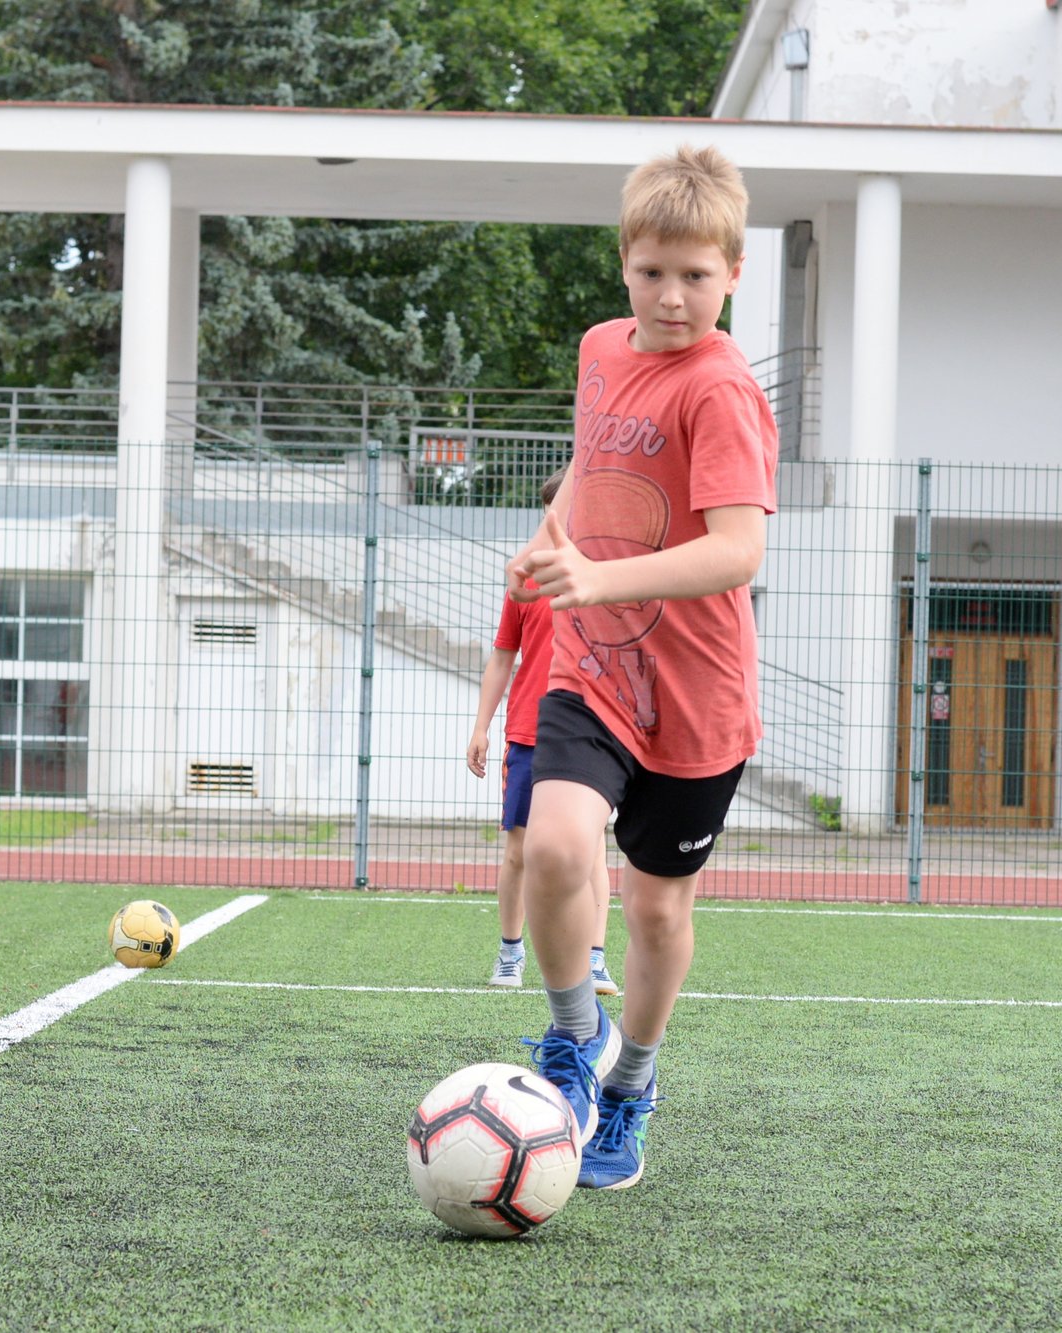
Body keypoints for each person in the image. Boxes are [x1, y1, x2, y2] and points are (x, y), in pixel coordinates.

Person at [504, 143, 776, 1192]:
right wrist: (548, 539)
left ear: (733, 273)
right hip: (594, 669)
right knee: (554, 846)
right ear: (623, 261)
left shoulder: (721, 392)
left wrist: (597, 577)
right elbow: (591, 456)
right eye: (652, 271)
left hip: (697, 698)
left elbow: (738, 550)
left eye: (695, 276)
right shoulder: (597, 349)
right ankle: (575, 1037)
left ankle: (631, 1084)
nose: (670, 296)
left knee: (657, 911)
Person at [466, 465, 618, 996]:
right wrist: (482, 727)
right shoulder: (525, 582)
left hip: (590, 737)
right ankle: (511, 952)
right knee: (519, 851)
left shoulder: (604, 577)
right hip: (529, 734)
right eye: (557, 512)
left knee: (592, 851)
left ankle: (594, 959)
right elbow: (502, 658)